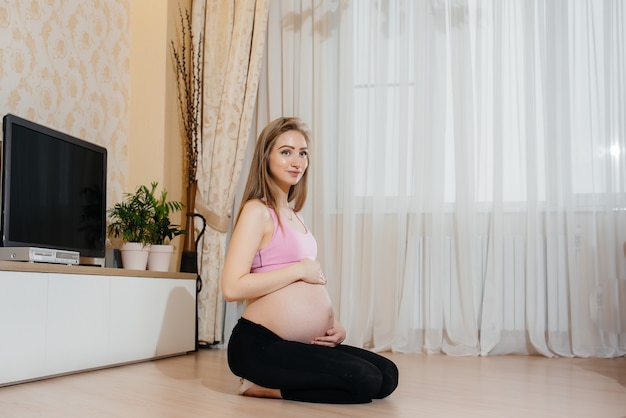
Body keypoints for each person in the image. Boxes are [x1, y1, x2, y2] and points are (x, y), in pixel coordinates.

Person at [221, 116, 399, 404]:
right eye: (286, 151)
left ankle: (285, 381)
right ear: (266, 157)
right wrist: (298, 269)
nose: (297, 161)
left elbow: (309, 283)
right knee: (365, 381)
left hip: (299, 344)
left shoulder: (295, 216)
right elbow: (232, 288)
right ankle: (265, 388)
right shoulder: (257, 211)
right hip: (259, 345)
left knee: (387, 374)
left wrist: (334, 324)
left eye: (302, 153)